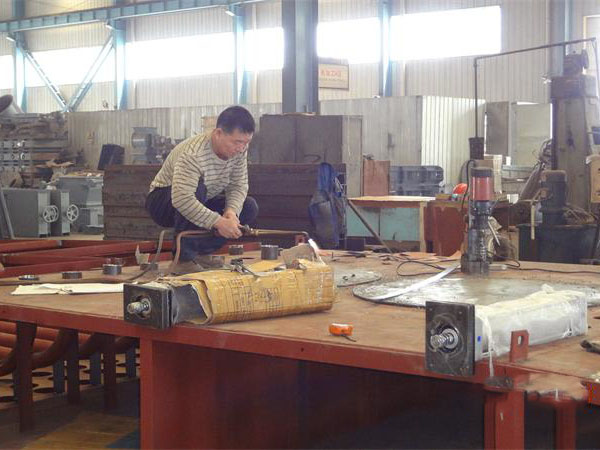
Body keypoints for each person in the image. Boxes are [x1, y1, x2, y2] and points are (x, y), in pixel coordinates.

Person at [145, 106, 258, 272]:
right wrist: (219, 222)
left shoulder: (240, 151)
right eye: (237, 142)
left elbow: (238, 185)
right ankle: (182, 260)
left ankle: (200, 254)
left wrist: (231, 213)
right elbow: (182, 199)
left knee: (248, 207)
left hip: (201, 198)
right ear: (218, 133)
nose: (241, 148)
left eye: (246, 143)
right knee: (198, 189)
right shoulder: (193, 154)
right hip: (164, 202)